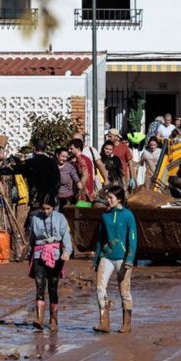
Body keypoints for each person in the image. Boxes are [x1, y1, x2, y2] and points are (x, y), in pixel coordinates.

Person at [93, 184, 137, 333]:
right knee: (100, 288)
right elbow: (100, 239)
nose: (108, 200)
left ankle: (127, 324)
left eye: (110, 197)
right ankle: (104, 322)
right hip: (107, 256)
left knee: (124, 291)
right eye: (107, 197)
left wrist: (130, 258)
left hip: (122, 258)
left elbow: (133, 238)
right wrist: (97, 259)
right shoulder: (105, 216)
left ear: (119, 199)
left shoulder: (128, 215)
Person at [27, 194, 73, 332]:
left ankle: (53, 319)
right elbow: (32, 239)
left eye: (48, 209)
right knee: (40, 286)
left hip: (56, 255)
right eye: (43, 209)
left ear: (53, 207)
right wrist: (29, 254)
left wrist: (67, 252)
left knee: (53, 287)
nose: (46, 212)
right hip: (39, 255)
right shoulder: (35, 219)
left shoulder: (61, 218)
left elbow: (66, 236)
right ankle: (39, 318)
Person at [21, 139, 61, 211]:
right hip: (50, 197)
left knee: (36, 218)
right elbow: (58, 180)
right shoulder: (52, 163)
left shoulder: (31, 162)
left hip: (36, 198)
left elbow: (22, 175)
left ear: (34, 148)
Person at [69, 138, 96, 202]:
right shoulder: (85, 158)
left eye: (71, 148)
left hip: (84, 194)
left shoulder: (80, 159)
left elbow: (85, 175)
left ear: (78, 149)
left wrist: (80, 190)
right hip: (89, 191)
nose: (69, 150)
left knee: (81, 210)